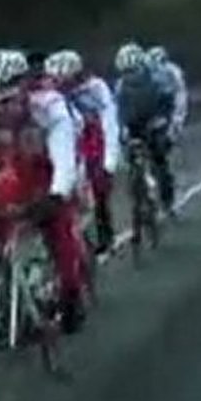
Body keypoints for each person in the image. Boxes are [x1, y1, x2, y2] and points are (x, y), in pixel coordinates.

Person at [0, 48, 87, 334]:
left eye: (8, 100)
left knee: (59, 229)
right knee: (4, 209)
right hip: (13, 164)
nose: (1, 108)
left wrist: (58, 194)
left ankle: (71, 292)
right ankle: (12, 275)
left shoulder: (49, 105)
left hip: (50, 164)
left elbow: (64, 157)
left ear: (24, 88)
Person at [44, 49, 120, 254]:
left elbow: (109, 121)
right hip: (72, 138)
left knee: (98, 184)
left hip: (96, 135)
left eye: (68, 81)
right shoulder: (51, 94)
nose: (63, 86)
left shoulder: (96, 87)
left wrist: (109, 161)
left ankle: (105, 230)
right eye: (58, 81)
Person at [113, 41, 179, 211]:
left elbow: (168, 100)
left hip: (155, 120)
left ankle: (168, 200)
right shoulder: (120, 86)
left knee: (159, 158)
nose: (130, 76)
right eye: (126, 72)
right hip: (134, 125)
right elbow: (117, 111)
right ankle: (137, 194)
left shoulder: (156, 78)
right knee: (130, 158)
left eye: (134, 71)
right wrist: (120, 131)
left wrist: (164, 120)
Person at [147, 45, 189, 141]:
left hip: (175, 93)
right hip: (160, 96)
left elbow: (179, 85)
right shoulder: (149, 70)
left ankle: (175, 129)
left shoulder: (173, 69)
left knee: (178, 111)